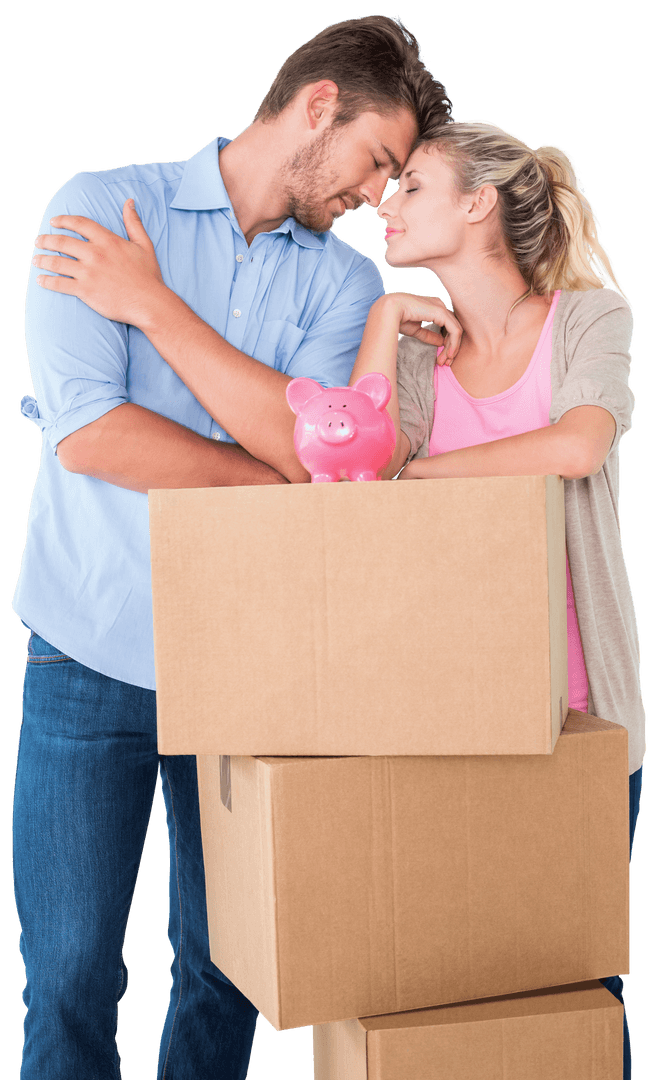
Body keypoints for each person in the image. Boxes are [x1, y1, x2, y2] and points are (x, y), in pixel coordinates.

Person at [12, 15, 451, 1079]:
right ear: (315, 108)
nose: (378, 194)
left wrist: (153, 306)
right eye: (377, 161)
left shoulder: (343, 286)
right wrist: (274, 466)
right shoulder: (97, 209)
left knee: (230, 967)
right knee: (71, 971)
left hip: (256, 665)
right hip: (89, 648)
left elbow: (319, 455)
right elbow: (91, 436)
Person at [348, 119, 644, 1078]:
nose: (387, 206)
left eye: (414, 188)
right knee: (449, 993)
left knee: (581, 991)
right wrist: (382, 327)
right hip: (451, 720)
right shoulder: (419, 352)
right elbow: (355, 481)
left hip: (580, 719)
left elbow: (576, 447)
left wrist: (421, 480)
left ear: (478, 205)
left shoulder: (588, 318)